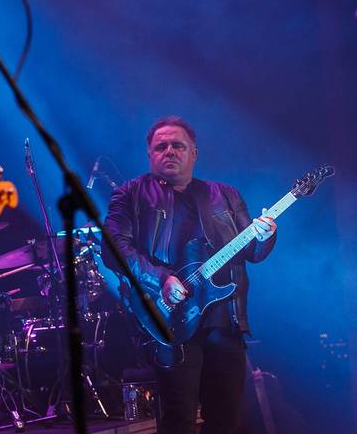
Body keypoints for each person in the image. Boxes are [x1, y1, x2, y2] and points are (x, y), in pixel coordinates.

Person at [103, 116, 277, 434]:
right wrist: (161, 279)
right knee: (178, 421)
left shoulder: (225, 195)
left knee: (225, 421)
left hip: (225, 319)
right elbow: (114, 249)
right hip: (172, 321)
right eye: (161, 146)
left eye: (178, 145)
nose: (169, 151)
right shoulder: (130, 194)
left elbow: (252, 252)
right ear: (149, 154)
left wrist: (266, 237)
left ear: (193, 153)